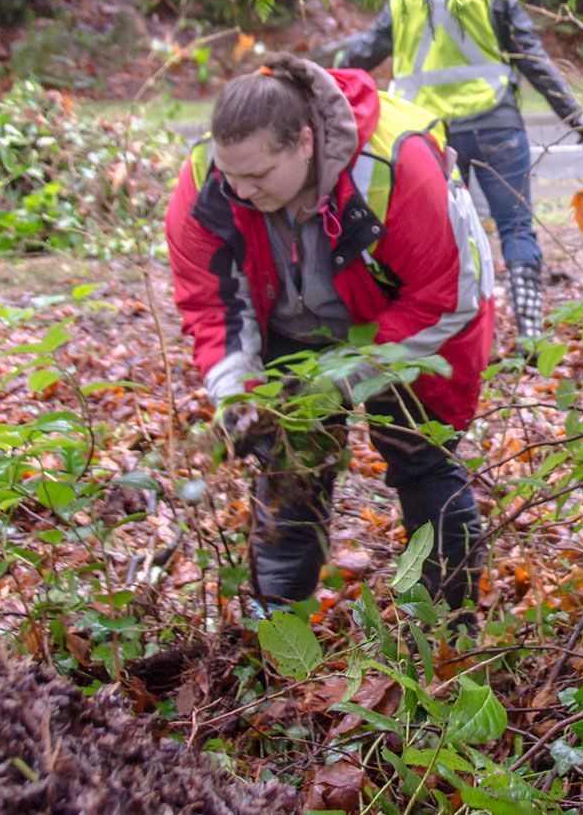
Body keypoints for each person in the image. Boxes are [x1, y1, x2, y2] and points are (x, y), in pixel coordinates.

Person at [165, 55, 496, 621]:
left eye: (258, 177)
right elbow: (210, 301)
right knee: (290, 468)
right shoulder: (208, 182)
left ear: (304, 141)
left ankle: (452, 627)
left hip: (409, 322)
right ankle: (279, 632)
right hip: (290, 325)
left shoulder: (397, 166)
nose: (241, 192)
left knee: (423, 459)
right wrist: (238, 395)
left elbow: (446, 294)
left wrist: (344, 381)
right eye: (232, 175)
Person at [336, 0, 583, 347]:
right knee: (515, 227)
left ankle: (462, 331)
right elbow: (531, 58)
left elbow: (365, 51)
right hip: (495, 124)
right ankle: (530, 333)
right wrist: (574, 115)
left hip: (426, 139)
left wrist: (322, 77)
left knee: (443, 237)